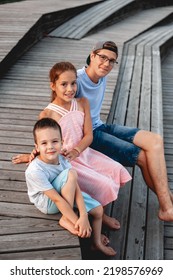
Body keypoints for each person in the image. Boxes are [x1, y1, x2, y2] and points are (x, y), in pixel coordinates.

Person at [13, 61, 131, 231]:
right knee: (103, 184)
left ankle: (98, 210)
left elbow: (89, 135)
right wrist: (29, 156)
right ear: (53, 86)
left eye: (73, 83)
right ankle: (100, 215)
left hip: (83, 152)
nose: (70, 89)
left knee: (116, 169)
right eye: (64, 84)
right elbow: (43, 143)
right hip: (67, 161)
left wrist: (77, 150)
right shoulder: (48, 113)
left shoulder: (82, 103)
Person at [76, 40, 173, 222]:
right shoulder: (76, 81)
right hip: (89, 135)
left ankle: (167, 200)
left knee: (155, 140)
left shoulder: (101, 76)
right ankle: (166, 206)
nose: (106, 64)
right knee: (142, 157)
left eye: (111, 61)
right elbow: (55, 110)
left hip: (101, 126)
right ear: (92, 55)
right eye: (102, 58)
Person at [25, 117, 116, 256]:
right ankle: (66, 219)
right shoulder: (35, 170)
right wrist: (77, 220)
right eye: (44, 143)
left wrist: (84, 215)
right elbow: (57, 199)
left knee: (98, 210)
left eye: (55, 141)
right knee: (71, 174)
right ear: (36, 147)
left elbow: (76, 188)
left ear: (62, 143)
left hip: (63, 189)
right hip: (47, 202)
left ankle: (96, 243)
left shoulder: (62, 159)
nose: (50, 147)